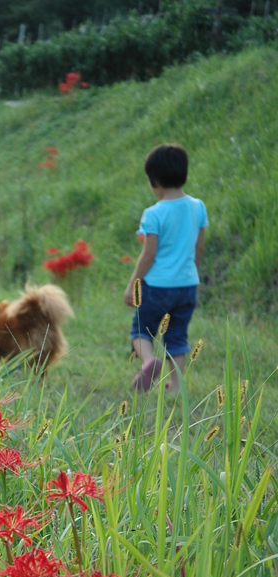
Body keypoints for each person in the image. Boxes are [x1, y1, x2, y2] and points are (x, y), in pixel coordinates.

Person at [124, 143, 208, 393]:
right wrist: (190, 272)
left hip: (157, 286)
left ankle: (149, 361)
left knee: (140, 330)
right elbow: (199, 247)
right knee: (177, 336)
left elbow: (148, 254)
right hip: (187, 285)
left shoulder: (153, 213)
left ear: (155, 181)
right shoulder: (197, 206)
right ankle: (176, 389)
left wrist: (132, 286)